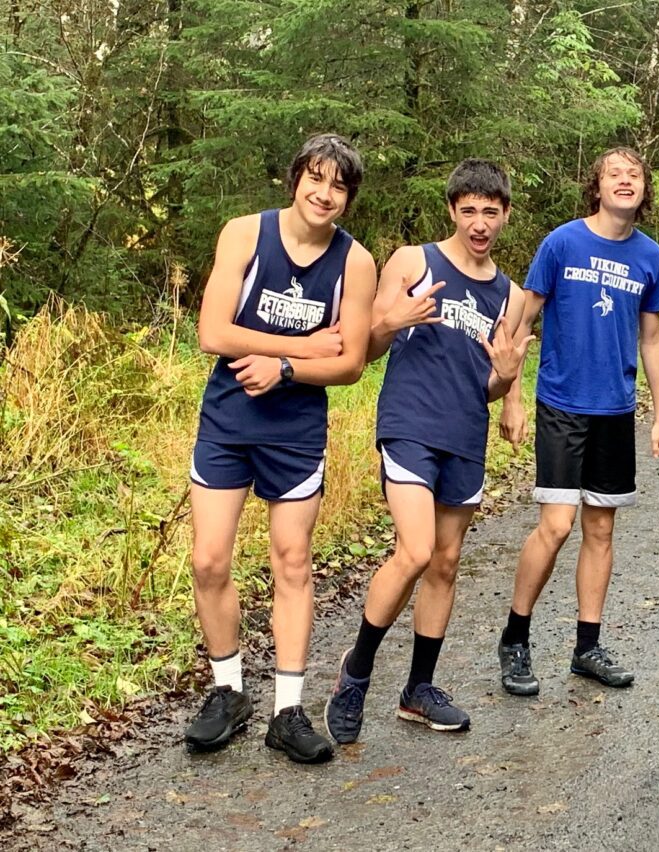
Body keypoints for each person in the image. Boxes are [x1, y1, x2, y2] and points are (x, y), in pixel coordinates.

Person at [184, 133, 376, 763]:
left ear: (348, 198)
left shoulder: (355, 262)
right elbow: (212, 331)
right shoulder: (245, 234)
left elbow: (350, 363)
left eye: (338, 186)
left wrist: (287, 369)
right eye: (315, 179)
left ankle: (287, 711)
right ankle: (228, 692)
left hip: (295, 431)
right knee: (209, 559)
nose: (324, 194)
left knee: (292, 562)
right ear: (295, 179)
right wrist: (301, 347)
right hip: (229, 418)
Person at [322, 160, 528, 743]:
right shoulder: (414, 261)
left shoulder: (509, 295)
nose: (479, 223)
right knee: (414, 550)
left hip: (465, 431)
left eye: (491, 212)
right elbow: (366, 347)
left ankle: (418, 689)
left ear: (505, 215)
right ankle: (356, 673)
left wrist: (506, 379)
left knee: (445, 561)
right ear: (452, 211)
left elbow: (491, 385)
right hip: (410, 422)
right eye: (469, 211)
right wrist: (393, 318)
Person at [493, 147, 659, 697]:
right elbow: (520, 324)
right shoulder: (562, 243)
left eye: (634, 174)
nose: (625, 180)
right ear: (597, 188)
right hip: (562, 404)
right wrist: (511, 399)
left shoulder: (649, 256)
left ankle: (586, 647)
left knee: (601, 529)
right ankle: (515, 638)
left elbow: (652, 338)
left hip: (615, 409)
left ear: (643, 189)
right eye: (614, 174)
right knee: (556, 525)